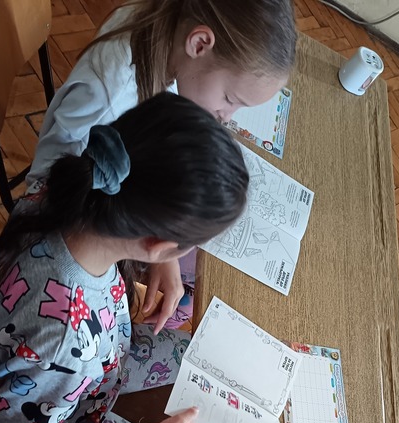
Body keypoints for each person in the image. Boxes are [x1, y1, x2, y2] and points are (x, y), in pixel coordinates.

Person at [0, 92, 248, 423]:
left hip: (97, 357)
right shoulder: (62, 343)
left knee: (219, 362)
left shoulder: (73, 183)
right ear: (157, 243)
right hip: (74, 404)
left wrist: (162, 259)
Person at [27, 0, 298, 332]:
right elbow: (48, 182)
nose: (227, 118)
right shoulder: (111, 93)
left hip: (120, 215)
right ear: (199, 44)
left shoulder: (163, 29)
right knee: (197, 286)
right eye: (230, 100)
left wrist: (165, 248)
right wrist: (160, 241)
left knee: (196, 270)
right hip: (76, 223)